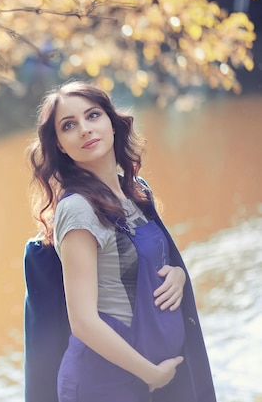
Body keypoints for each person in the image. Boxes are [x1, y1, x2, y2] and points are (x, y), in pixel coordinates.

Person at [23, 81, 216, 402]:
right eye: (69, 125)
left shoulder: (135, 191)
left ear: (112, 123)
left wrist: (179, 276)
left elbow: (150, 260)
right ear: (59, 144)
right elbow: (83, 322)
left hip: (153, 379)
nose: (84, 129)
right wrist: (151, 374)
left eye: (93, 115)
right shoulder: (78, 209)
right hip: (106, 384)